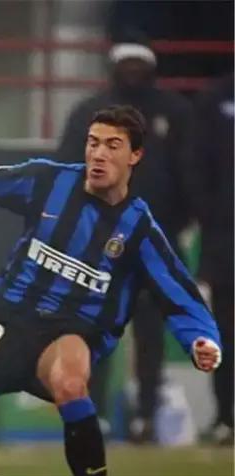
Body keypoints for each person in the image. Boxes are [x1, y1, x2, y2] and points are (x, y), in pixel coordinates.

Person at [0, 105, 218, 476]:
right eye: (93, 143)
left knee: (70, 383)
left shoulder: (139, 229)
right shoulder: (50, 181)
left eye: (112, 145)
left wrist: (201, 338)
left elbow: (178, 292)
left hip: (71, 329)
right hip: (8, 318)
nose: (99, 154)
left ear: (135, 155)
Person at [56, 32, 195, 441]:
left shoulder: (175, 112)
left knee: (151, 331)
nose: (133, 72)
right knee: (92, 326)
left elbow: (191, 175)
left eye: (140, 64)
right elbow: (67, 171)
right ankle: (92, 414)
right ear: (114, 67)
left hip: (156, 239)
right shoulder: (88, 113)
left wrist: (177, 223)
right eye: (126, 64)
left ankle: (146, 416)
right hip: (97, 239)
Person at [186, 73, 234, 445]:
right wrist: (212, 216)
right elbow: (195, 165)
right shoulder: (216, 99)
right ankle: (225, 417)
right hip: (226, 240)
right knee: (226, 332)